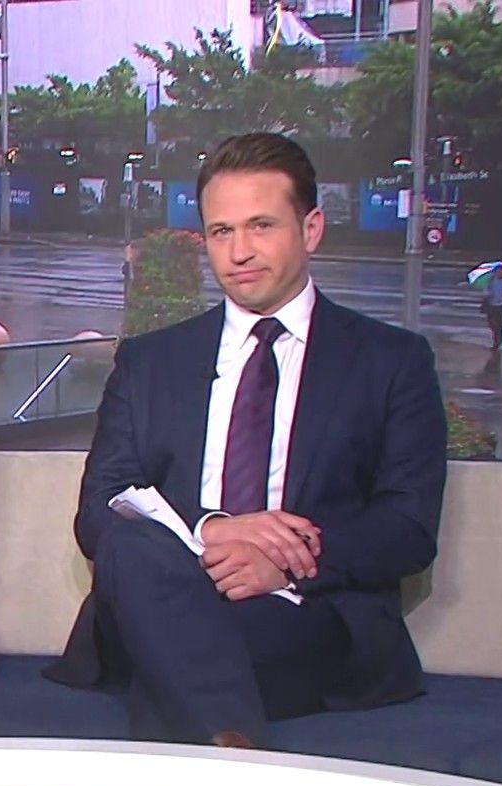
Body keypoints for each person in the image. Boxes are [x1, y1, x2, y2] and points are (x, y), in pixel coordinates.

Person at [47, 132, 447, 748]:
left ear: (311, 229)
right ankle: (230, 750)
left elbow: (408, 526)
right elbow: (99, 513)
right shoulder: (152, 361)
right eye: (221, 231)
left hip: (301, 611)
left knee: (179, 654)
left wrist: (280, 560)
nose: (239, 252)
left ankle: (210, 746)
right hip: (166, 588)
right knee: (128, 543)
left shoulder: (390, 361)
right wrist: (212, 531)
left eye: (261, 226)